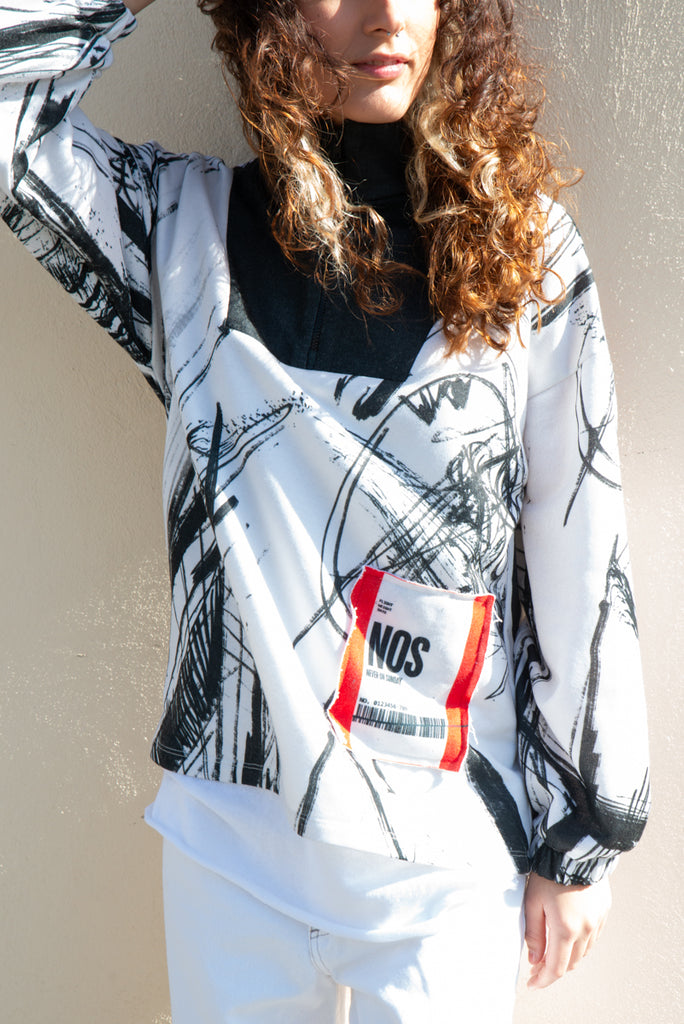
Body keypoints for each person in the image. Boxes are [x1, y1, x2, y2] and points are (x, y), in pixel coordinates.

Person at [0, 1, 650, 1021]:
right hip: (233, 844)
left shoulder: (530, 256)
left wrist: (585, 835)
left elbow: (581, 537)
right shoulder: (182, 236)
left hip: (447, 861)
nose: (385, 15)